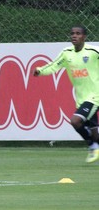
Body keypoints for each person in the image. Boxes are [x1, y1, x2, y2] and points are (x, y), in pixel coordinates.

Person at [33, 25, 99, 163]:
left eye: (78, 33)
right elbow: (53, 66)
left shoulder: (93, 52)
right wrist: (40, 70)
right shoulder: (66, 53)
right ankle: (95, 143)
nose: (74, 36)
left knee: (75, 121)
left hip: (95, 96)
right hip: (81, 97)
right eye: (72, 33)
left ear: (84, 37)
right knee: (94, 132)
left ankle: (92, 146)